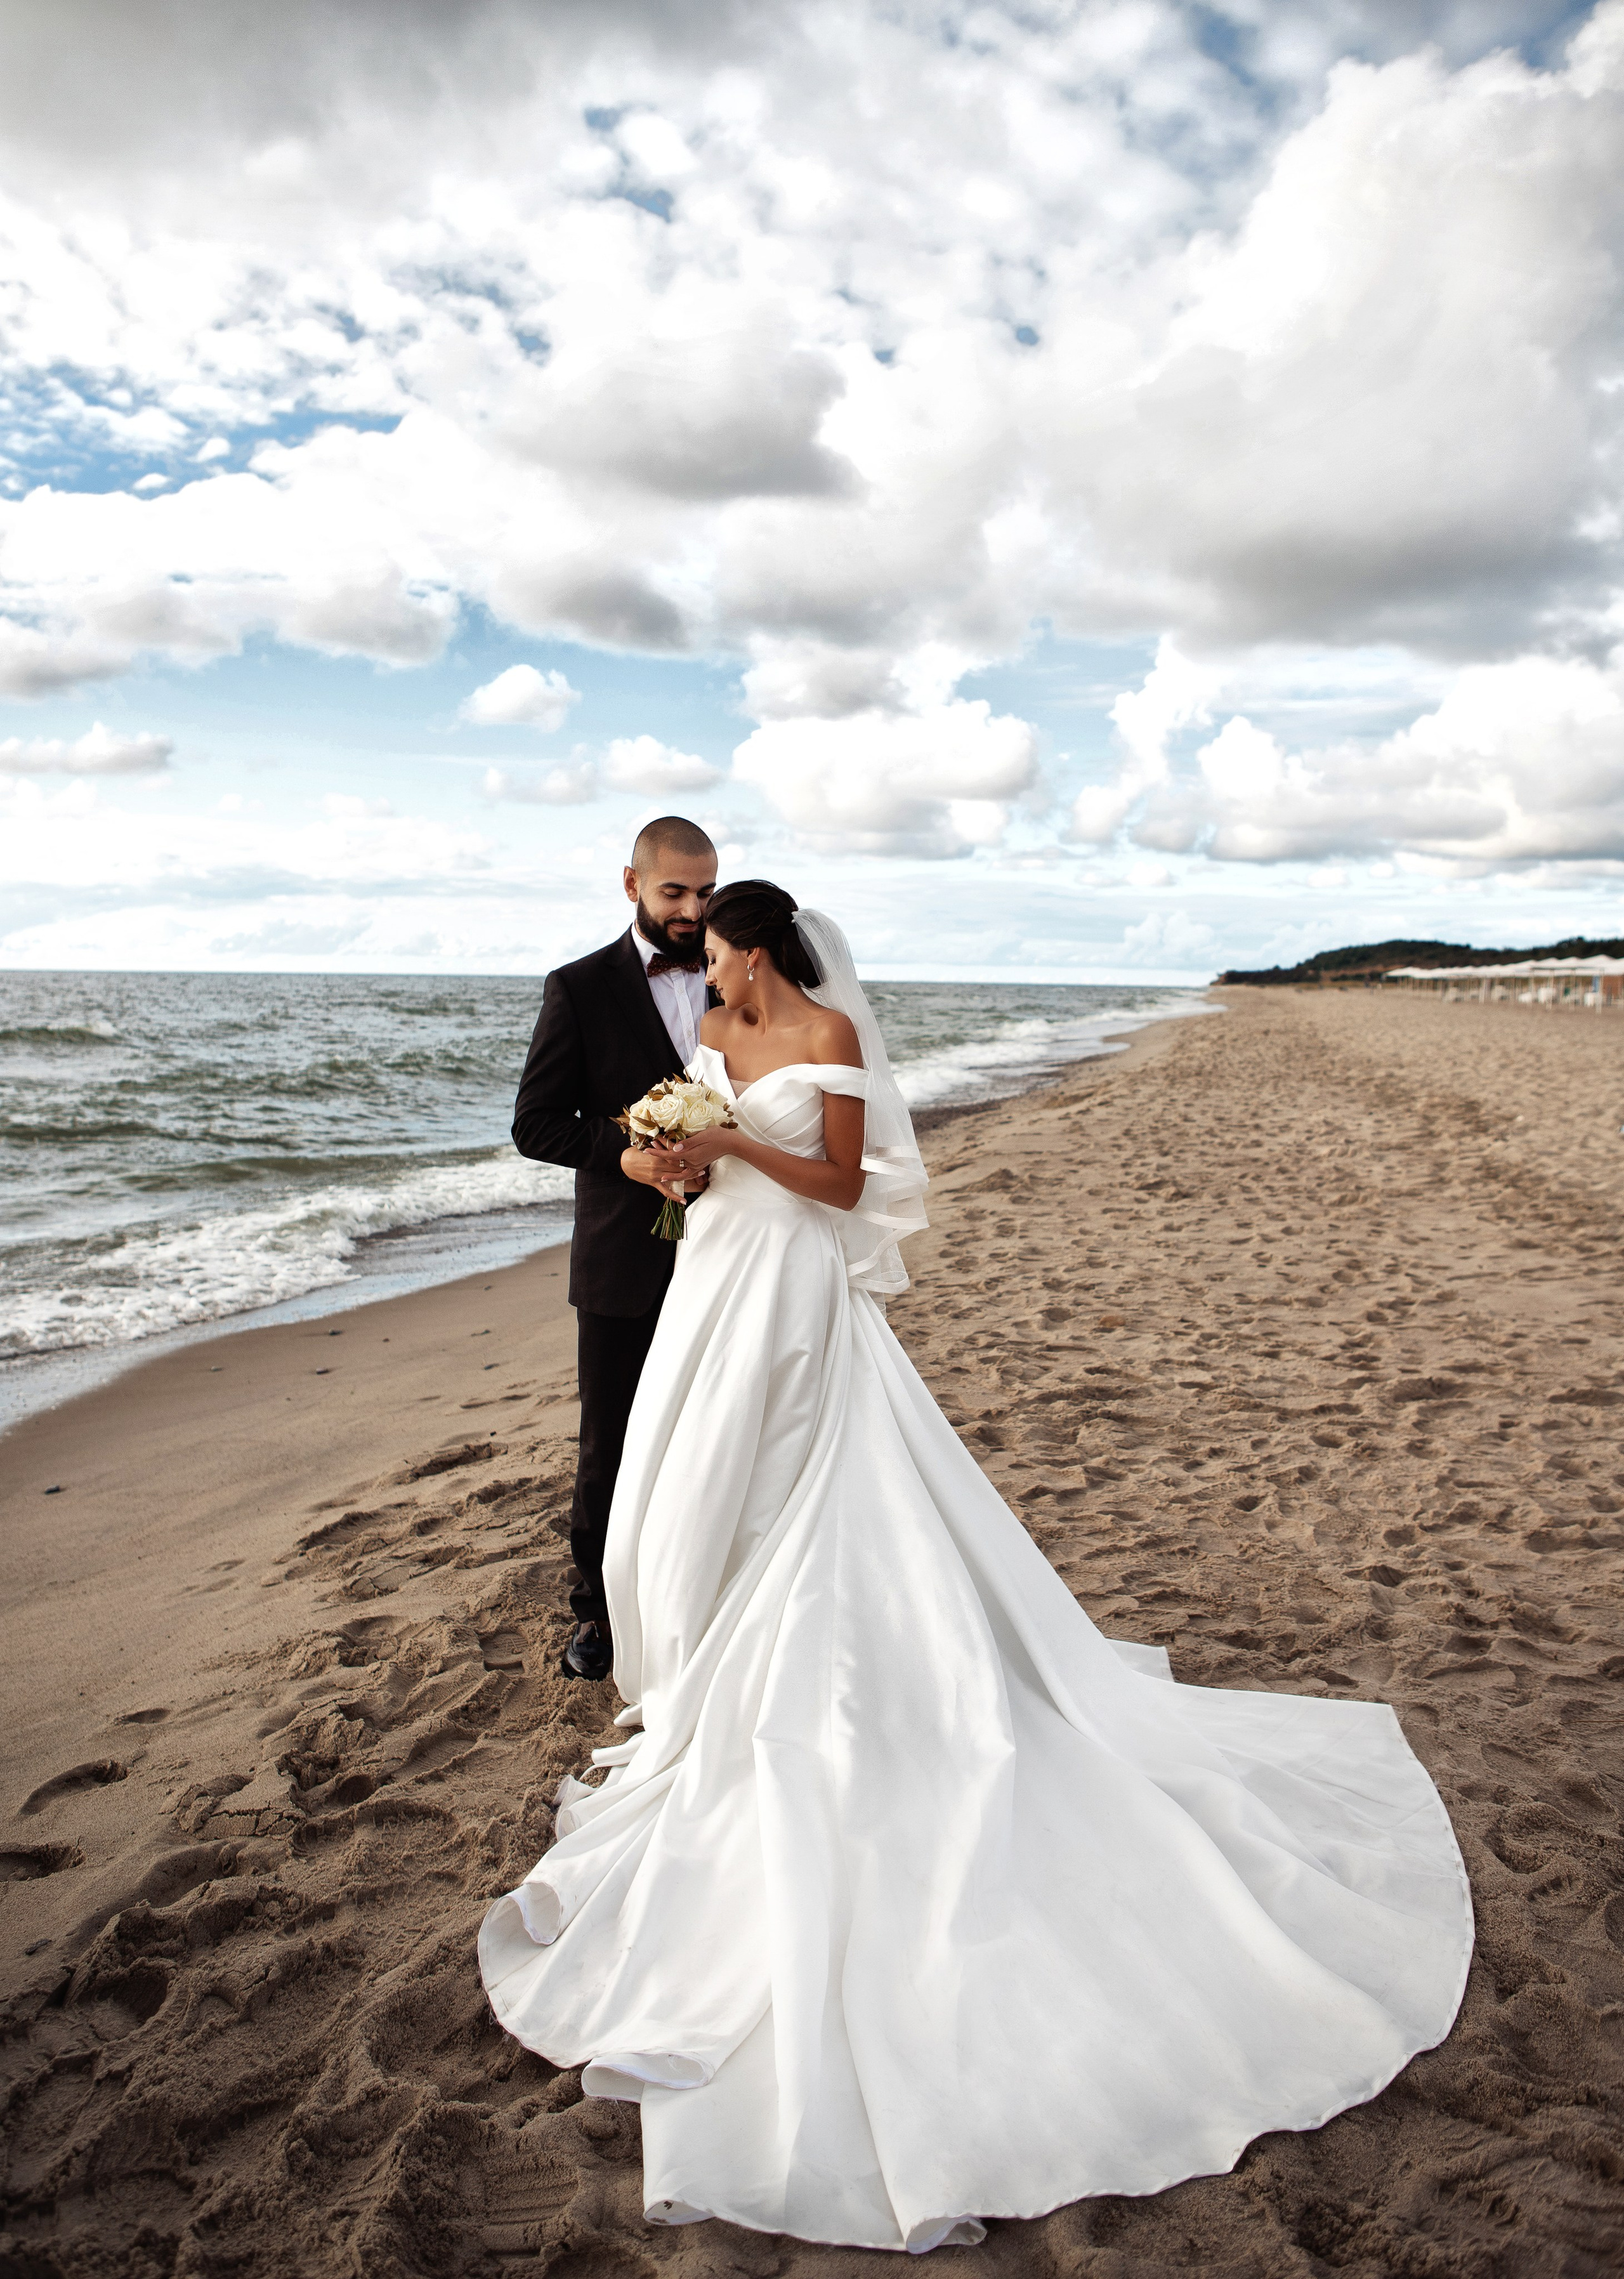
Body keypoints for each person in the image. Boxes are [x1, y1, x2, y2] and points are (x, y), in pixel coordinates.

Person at [482, 883, 1474, 2253]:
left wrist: (736, 1145)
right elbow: (692, 1137)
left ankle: (810, 1672)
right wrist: (678, 1157)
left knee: (803, 1486)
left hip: (792, 1289)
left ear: (755, 945)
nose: (702, 961)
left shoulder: (826, 1028)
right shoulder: (713, 1021)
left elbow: (841, 1181)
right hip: (711, 1271)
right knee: (681, 1485)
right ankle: (693, 1652)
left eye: (716, 945)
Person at [511, 815, 717, 1681]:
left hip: (731, 1247)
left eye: (705, 892)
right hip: (621, 1258)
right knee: (612, 1440)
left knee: (714, 1430)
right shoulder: (578, 987)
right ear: (631, 884)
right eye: (675, 892)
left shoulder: (744, 973)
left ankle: (700, 1594)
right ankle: (594, 1612)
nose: (692, 910)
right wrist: (623, 1154)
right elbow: (535, 1124)